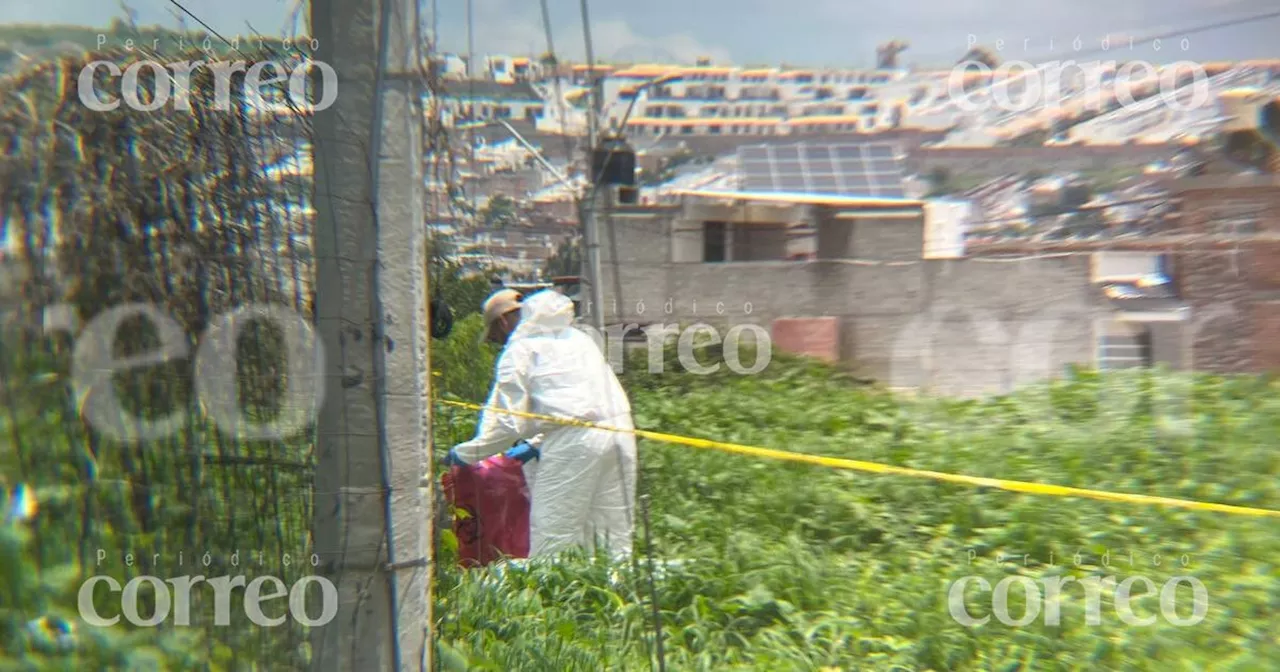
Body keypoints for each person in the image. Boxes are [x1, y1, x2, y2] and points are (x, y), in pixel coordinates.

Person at [446, 287, 637, 560]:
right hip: (621, 432)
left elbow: (509, 423)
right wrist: (536, 443)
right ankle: (617, 598)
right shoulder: (579, 338)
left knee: (552, 537)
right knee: (612, 534)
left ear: (501, 323)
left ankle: (550, 599)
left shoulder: (519, 351)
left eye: (496, 337)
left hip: (574, 445)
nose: (499, 343)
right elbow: (578, 402)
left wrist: (466, 454)